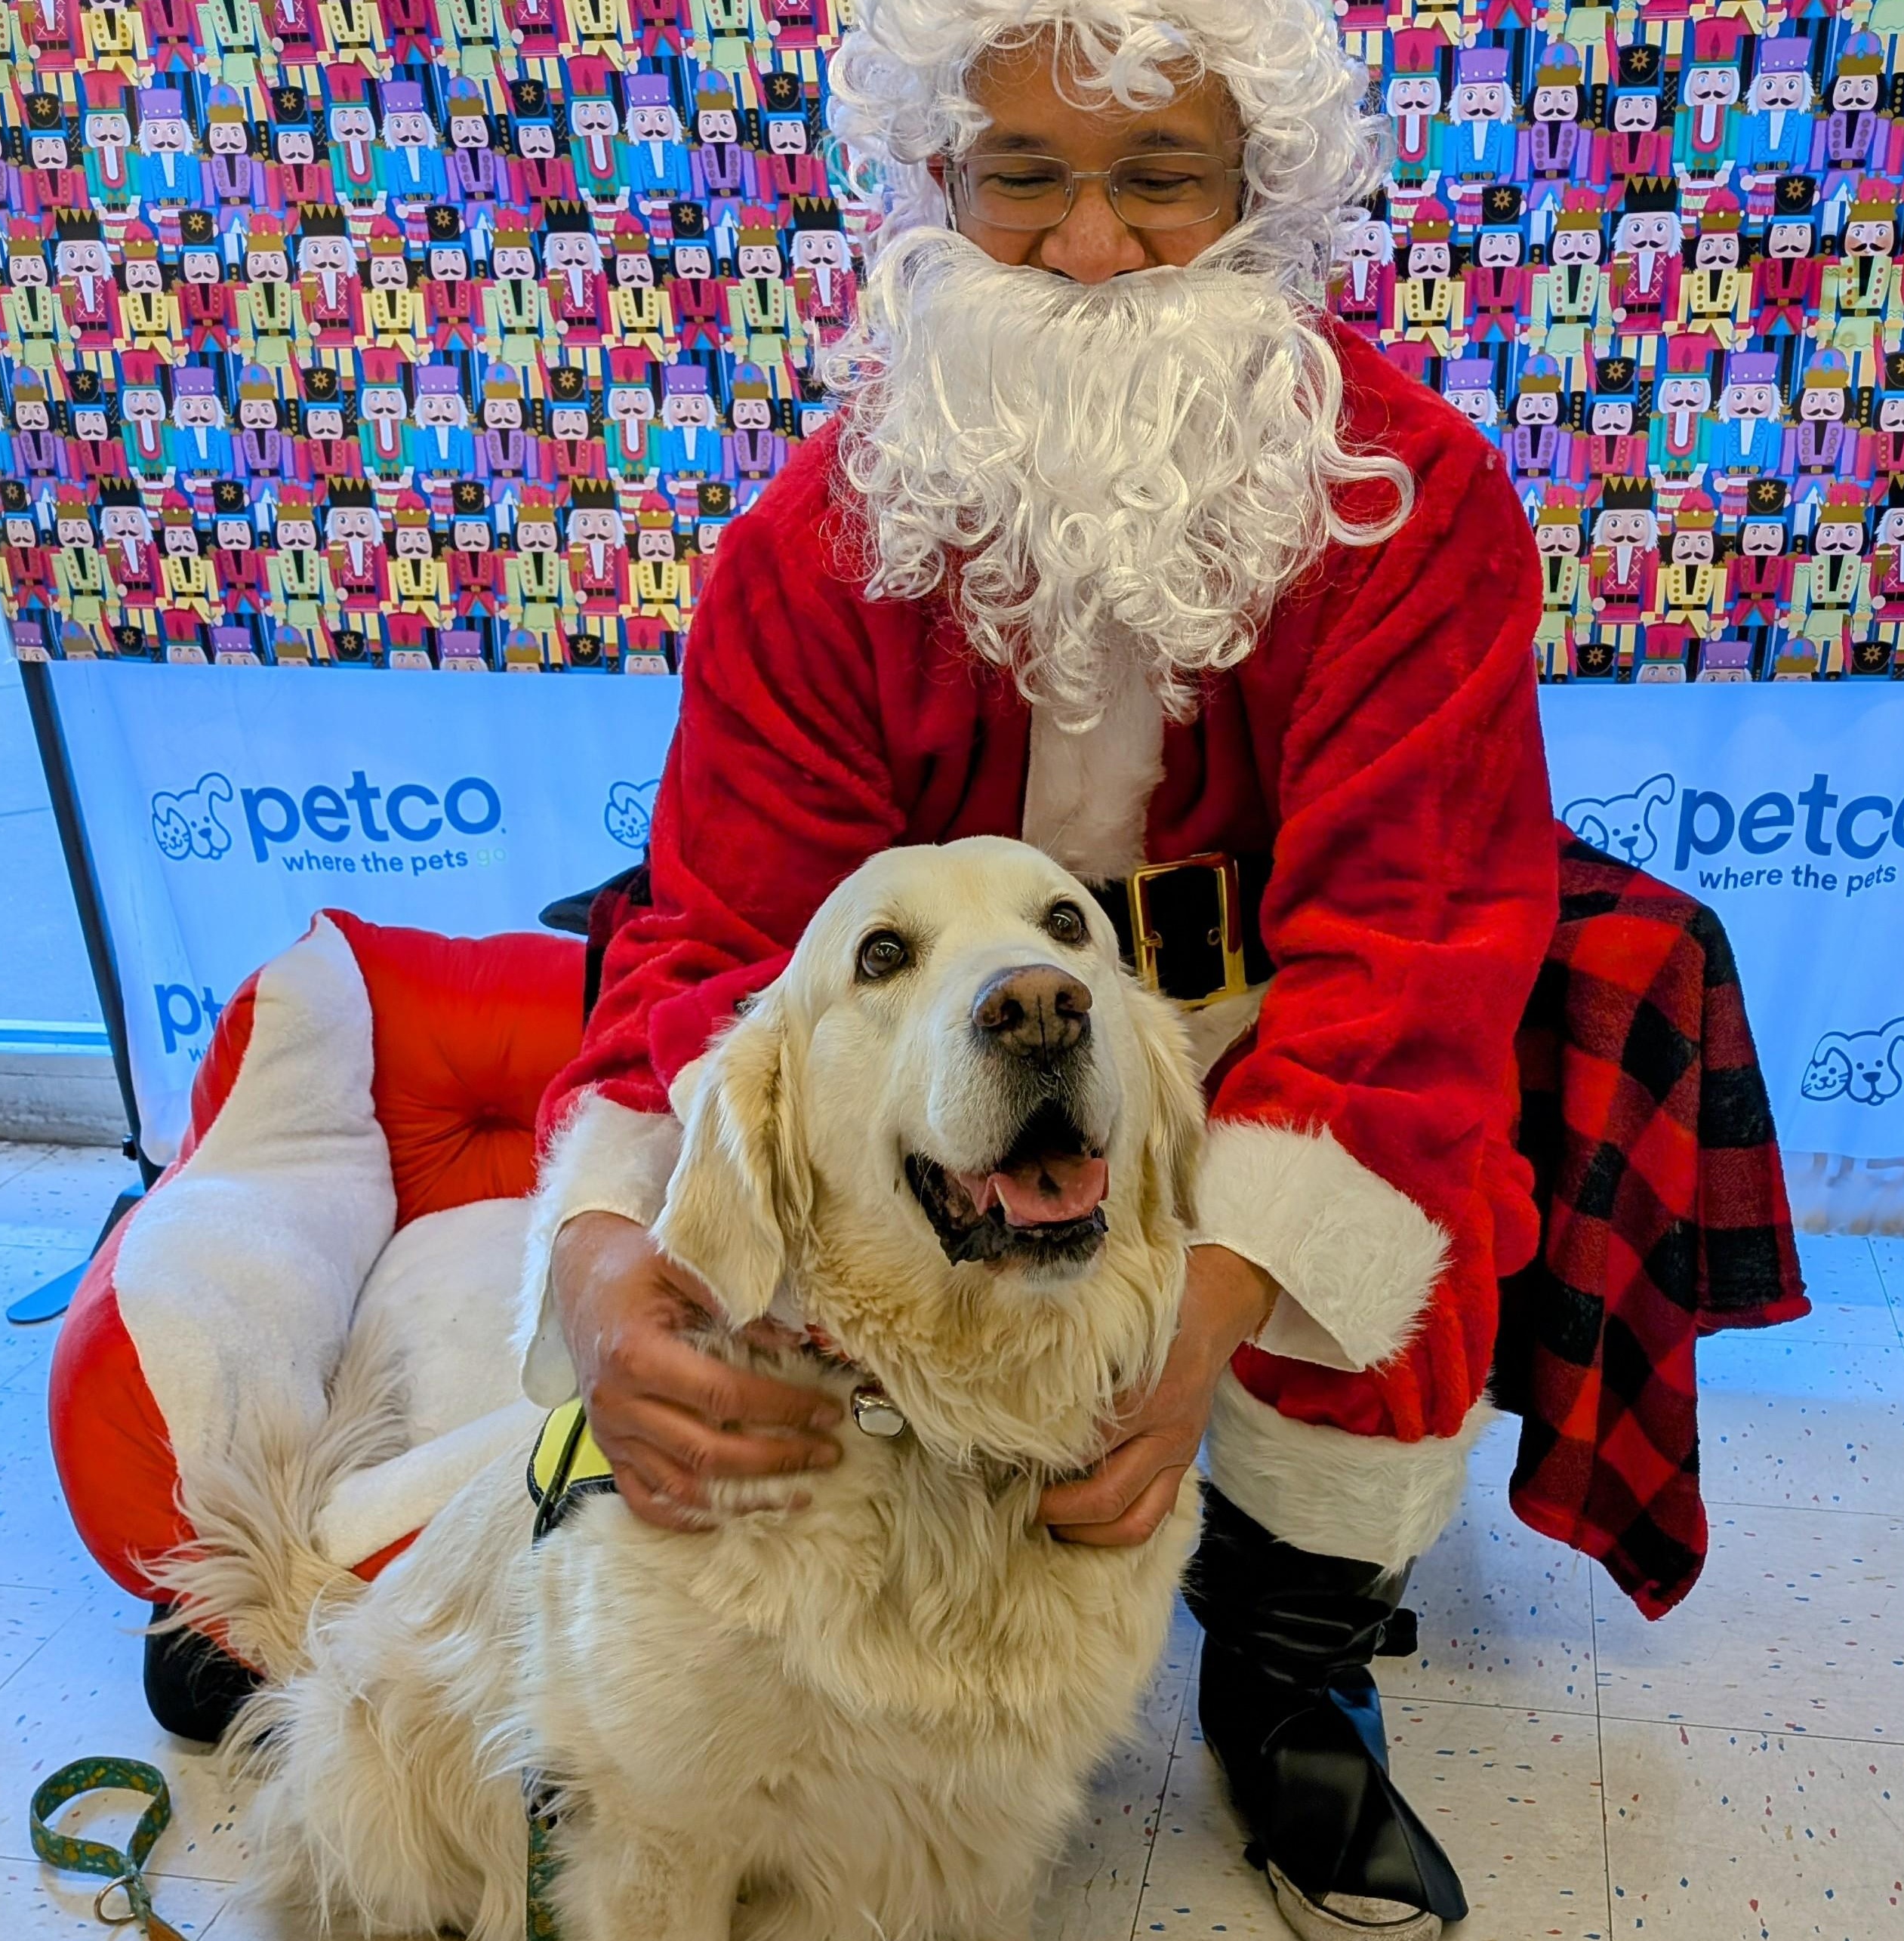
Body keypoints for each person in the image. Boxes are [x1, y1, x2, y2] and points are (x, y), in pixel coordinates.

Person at [522, 4, 1557, 1937]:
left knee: (1401, 1214)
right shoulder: (809, 541)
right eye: (1024, 179)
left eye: (1157, 179)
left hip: (1273, 1028)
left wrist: (1201, 1311)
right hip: (932, 1037)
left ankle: (1290, 1677)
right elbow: (725, 940)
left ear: (1256, 195)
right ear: (939, 185)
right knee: (772, 1287)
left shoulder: (1411, 504)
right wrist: (593, 1265)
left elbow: (1407, 946)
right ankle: (790, 1659)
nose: (1088, 248)